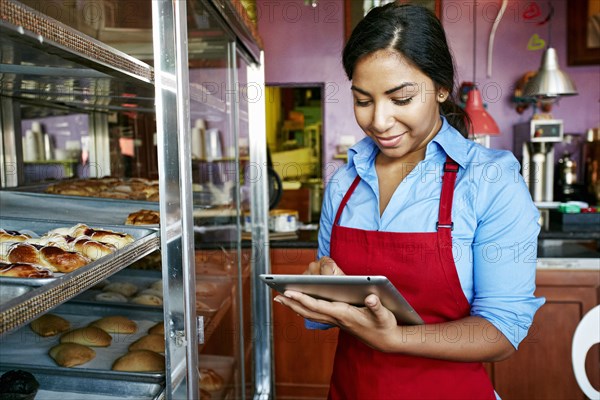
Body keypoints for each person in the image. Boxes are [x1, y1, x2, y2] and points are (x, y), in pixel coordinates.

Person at [273, 3, 545, 399]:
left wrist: (394, 339)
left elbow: (502, 330)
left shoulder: (491, 182)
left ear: (440, 87)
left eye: (400, 99)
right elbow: (338, 307)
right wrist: (325, 289)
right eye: (363, 100)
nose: (379, 121)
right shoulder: (344, 181)